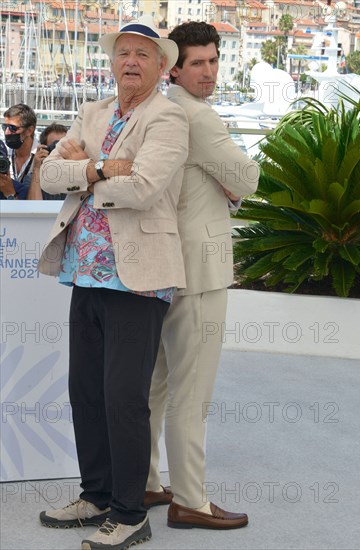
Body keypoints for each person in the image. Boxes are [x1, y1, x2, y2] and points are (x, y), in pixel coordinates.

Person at [38, 16, 189, 550]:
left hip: (139, 279)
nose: (130, 61)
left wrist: (87, 167)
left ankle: (130, 512)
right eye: (123, 53)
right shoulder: (92, 111)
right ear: (112, 60)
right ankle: (97, 495)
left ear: (162, 66)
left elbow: (144, 188)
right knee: (87, 393)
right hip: (84, 272)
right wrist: (104, 168)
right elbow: (49, 175)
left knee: (124, 396)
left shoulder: (168, 119)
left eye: (143, 55)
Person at [146, 21, 260, 529]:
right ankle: (190, 499)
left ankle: (147, 481)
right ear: (175, 67)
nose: (210, 72)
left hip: (159, 266)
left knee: (156, 386)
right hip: (202, 270)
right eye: (199, 63)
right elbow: (248, 178)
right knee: (192, 392)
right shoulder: (199, 117)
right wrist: (226, 181)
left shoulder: (156, 109)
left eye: (214, 61)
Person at [1, 103, 38, 199]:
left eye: (13, 128)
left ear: (29, 131)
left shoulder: (42, 157)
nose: (7, 132)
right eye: (5, 127)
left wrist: (10, 192)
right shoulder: (3, 154)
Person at [28, 123, 68, 200]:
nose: (60, 151)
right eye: (55, 146)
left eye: (64, 145)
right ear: (44, 149)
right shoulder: (32, 178)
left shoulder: (77, 174)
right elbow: (34, 207)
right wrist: (37, 168)